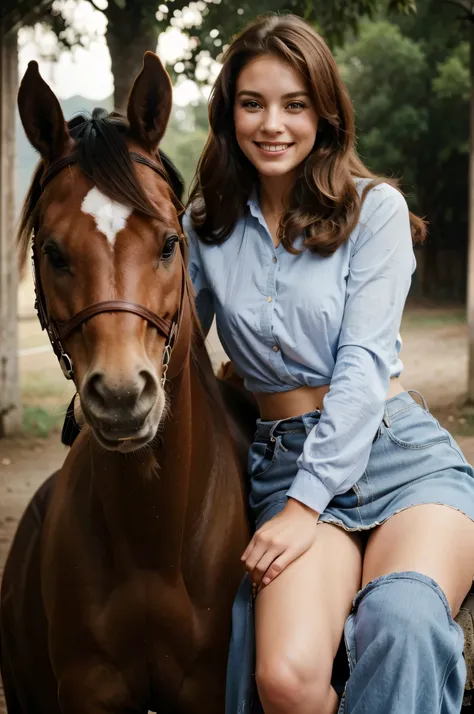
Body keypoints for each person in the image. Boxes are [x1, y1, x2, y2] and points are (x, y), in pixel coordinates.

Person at [182, 12, 474, 714]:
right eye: (253, 104)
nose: (272, 124)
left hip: (397, 457)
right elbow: (172, 352)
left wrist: (304, 507)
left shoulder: (375, 211)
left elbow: (363, 371)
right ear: (229, 115)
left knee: (402, 622)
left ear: (325, 113)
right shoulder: (204, 228)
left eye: (295, 104)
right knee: (284, 677)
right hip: (284, 459)